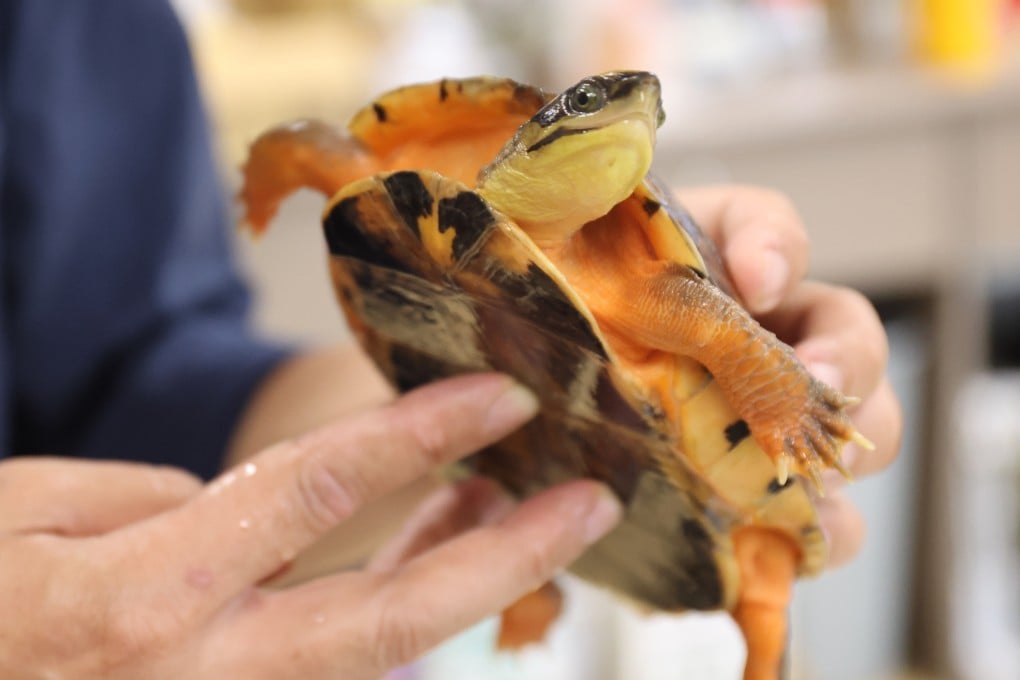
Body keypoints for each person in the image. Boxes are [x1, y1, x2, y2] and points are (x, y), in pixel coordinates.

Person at [0, 1, 901, 677]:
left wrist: (788, 389)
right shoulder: (444, 170)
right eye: (592, 101)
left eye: (639, 114)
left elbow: (135, 380)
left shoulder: (71, 28)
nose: (624, 109)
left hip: (590, 435)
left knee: (763, 592)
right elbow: (327, 155)